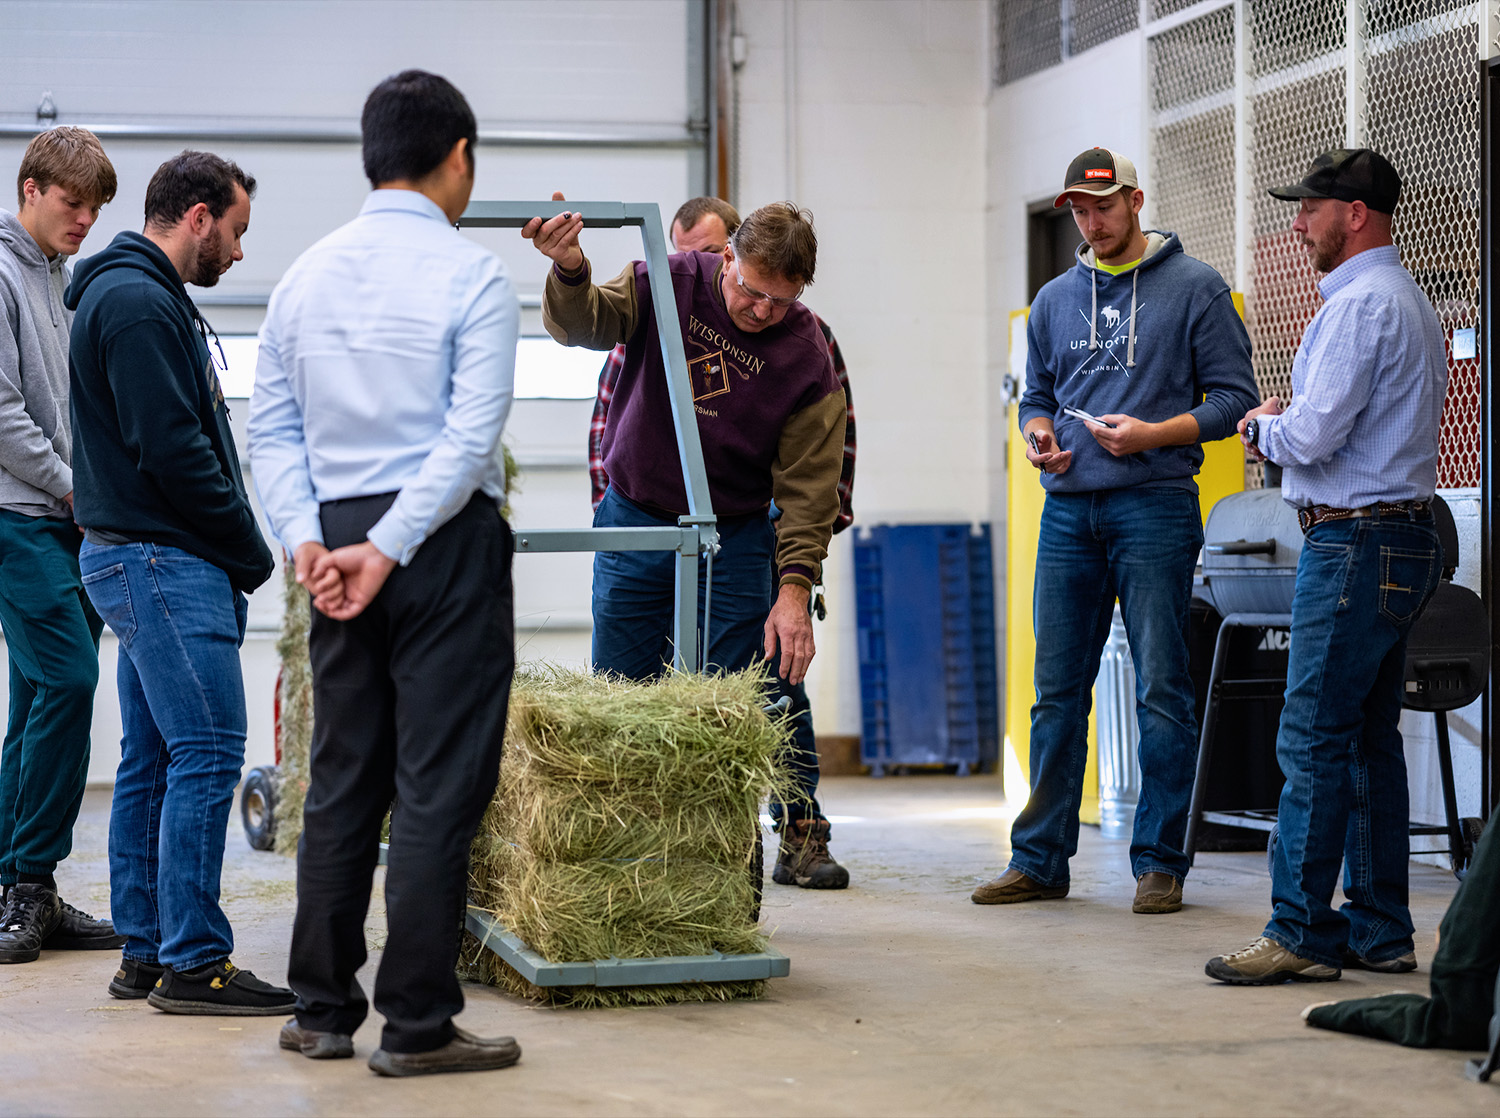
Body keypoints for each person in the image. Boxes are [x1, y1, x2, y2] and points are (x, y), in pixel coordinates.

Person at [249, 70, 522, 1076]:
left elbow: (268, 427)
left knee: (342, 779)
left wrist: (307, 538)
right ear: (458, 158)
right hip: (437, 542)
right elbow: (469, 434)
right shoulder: (475, 276)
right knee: (437, 785)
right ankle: (415, 1023)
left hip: (335, 546)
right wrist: (393, 544)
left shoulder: (303, 277)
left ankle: (321, 1008)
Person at [972, 147, 1258, 913]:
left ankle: (1160, 862)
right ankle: (1039, 860)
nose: (1091, 221)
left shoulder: (1197, 290)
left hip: (1155, 506)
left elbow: (1235, 399)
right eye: (1079, 210)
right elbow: (1036, 397)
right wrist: (1038, 435)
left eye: (1104, 206)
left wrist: (1156, 433)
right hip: (1068, 508)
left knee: (1163, 687)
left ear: (1134, 200)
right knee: (1055, 692)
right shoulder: (1054, 300)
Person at [524, 197, 847, 874]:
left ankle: (715, 867)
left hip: (733, 535)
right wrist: (572, 267)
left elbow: (809, 489)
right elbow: (587, 322)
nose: (760, 311)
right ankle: (623, 862)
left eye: (779, 302)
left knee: (729, 703)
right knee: (622, 691)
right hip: (635, 516)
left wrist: (794, 591)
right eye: (751, 291)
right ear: (725, 255)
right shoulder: (667, 281)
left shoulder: (806, 356)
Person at [1208, 148, 1447, 984]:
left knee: (1311, 739)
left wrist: (1259, 425)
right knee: (1366, 742)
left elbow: (1311, 438)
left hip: (1353, 542)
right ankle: (1380, 930)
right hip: (1404, 539)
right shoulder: (1409, 300)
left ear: (1356, 213)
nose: (1297, 222)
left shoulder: (1359, 307)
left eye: (1310, 207)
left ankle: (1302, 931)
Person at [67, 150, 289, 1013]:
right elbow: (173, 451)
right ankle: (195, 963)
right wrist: (251, 545)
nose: (236, 252)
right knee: (206, 755)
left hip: (142, 554)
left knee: (154, 758)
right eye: (234, 231)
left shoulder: (136, 298)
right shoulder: (133, 303)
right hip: (162, 558)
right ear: (196, 216)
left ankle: (146, 951)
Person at [0, 127, 123, 964]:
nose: (85, 219)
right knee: (72, 682)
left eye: (96, 208)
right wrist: (74, 486)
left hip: (64, 517)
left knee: (34, 701)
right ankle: (30, 882)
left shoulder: (61, 282)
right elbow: (3, 415)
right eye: (73, 202)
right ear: (31, 188)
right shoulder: (4, 274)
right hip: (24, 515)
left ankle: (13, 882)